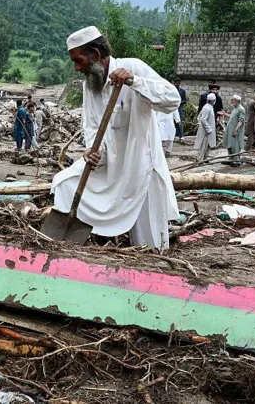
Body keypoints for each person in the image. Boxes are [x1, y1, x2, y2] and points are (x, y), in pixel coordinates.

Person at [51, 26, 180, 251]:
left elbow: (172, 100)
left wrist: (135, 82)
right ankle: (86, 239)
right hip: (109, 167)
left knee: (150, 245)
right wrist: (93, 152)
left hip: (140, 167)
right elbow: (91, 126)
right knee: (63, 183)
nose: (76, 67)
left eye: (79, 60)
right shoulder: (90, 85)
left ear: (96, 55)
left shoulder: (134, 67)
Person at [224, 95, 246, 166]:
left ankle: (236, 161)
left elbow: (241, 121)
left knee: (235, 146)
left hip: (236, 131)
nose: (231, 101)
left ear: (237, 101)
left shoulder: (241, 109)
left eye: (232, 100)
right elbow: (232, 117)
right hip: (230, 130)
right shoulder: (235, 108)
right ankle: (231, 159)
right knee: (230, 145)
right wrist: (225, 114)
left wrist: (236, 130)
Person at [195, 93, 217, 162]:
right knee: (203, 146)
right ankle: (199, 159)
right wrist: (209, 129)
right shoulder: (207, 108)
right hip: (205, 131)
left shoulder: (209, 107)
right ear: (213, 101)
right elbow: (203, 119)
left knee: (208, 145)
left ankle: (205, 158)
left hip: (209, 130)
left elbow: (199, 116)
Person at [173, 78, 187, 143]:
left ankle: (181, 136)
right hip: (172, 107)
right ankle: (173, 135)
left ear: (179, 83)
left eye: (178, 82)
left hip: (179, 108)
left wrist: (179, 103)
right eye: (175, 82)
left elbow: (185, 100)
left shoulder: (182, 91)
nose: (176, 84)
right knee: (172, 121)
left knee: (180, 121)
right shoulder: (171, 90)